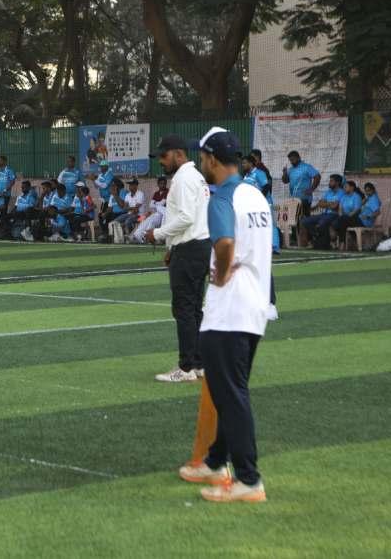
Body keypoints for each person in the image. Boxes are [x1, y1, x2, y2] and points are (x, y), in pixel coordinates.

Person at [177, 128, 272, 503]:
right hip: (255, 306)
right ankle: (215, 461)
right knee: (227, 390)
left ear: (212, 160)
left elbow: (226, 242)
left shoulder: (222, 198)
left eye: (202, 158)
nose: (201, 163)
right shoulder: (254, 194)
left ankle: (248, 479)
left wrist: (219, 273)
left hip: (229, 310)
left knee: (230, 395)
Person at [144, 134, 211, 383]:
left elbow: (185, 218)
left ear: (178, 153)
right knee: (194, 309)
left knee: (184, 309)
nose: (161, 161)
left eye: (164, 155)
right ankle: (198, 364)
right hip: (199, 246)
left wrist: (158, 234)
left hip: (190, 249)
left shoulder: (183, 179)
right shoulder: (196, 177)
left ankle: (185, 368)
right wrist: (172, 247)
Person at [241, 156, 280, 253]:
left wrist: (260, 199)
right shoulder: (246, 176)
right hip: (253, 205)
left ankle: (274, 247)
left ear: (251, 163)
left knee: (271, 224)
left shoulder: (259, 173)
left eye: (244, 163)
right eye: (242, 163)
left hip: (265, 203)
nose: (243, 165)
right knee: (255, 224)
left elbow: (266, 187)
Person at [299, 174, 343, 249]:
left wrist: (326, 204)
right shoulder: (328, 192)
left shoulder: (341, 193)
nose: (329, 182)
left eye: (331, 181)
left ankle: (324, 241)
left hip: (334, 214)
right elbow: (320, 203)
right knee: (304, 221)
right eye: (330, 181)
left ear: (337, 182)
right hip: (324, 214)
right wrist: (330, 203)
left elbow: (335, 207)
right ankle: (316, 236)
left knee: (321, 222)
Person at [280, 150, 321, 224]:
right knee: (294, 220)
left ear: (298, 158)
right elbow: (285, 181)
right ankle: (297, 231)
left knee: (304, 220)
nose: (292, 162)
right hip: (294, 198)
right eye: (290, 160)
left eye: (293, 159)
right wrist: (284, 173)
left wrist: (312, 189)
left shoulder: (306, 167)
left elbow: (317, 176)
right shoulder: (291, 169)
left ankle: (307, 231)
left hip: (304, 198)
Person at [330, 180, 365, 250]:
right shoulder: (343, 197)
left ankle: (334, 240)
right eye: (344, 187)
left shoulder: (356, 197)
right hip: (345, 220)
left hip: (355, 219)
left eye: (346, 186)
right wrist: (341, 216)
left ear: (352, 188)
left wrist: (346, 216)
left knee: (341, 220)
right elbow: (340, 209)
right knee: (342, 222)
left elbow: (356, 210)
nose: (344, 188)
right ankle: (342, 243)